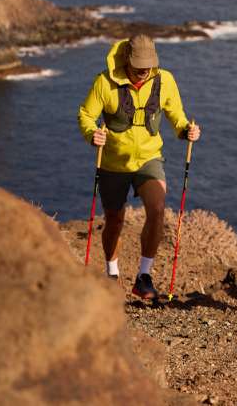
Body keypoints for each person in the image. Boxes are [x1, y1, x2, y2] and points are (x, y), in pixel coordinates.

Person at [78, 34, 200, 300]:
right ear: (126, 61)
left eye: (148, 67)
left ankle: (144, 277)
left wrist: (185, 131)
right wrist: (92, 134)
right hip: (113, 162)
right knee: (114, 220)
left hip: (149, 158)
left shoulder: (164, 80)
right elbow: (87, 115)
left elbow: (176, 115)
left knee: (157, 210)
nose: (144, 72)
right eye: (139, 67)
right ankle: (112, 272)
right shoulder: (104, 82)